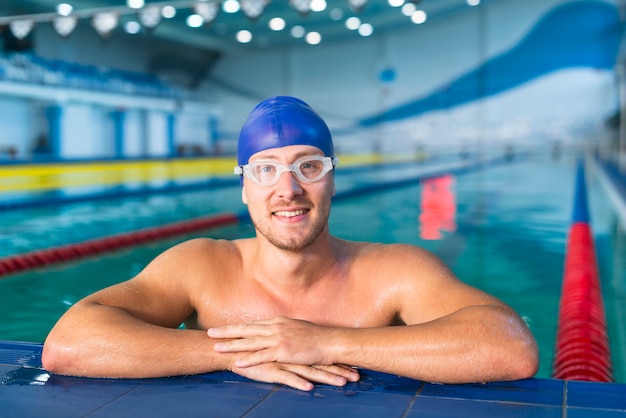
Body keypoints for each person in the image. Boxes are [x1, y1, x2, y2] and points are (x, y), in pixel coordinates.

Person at [42, 96, 538, 391]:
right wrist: (239, 353)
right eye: (266, 169)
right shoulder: (199, 264)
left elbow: (510, 348)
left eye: (309, 166)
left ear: (332, 180)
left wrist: (326, 341)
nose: (288, 189)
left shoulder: (395, 270)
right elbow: (69, 344)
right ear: (244, 186)